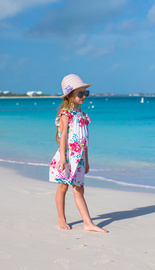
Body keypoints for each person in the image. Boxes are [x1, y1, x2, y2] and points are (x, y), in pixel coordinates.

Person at [49, 74, 107, 233]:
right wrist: (62, 159)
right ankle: (62, 218)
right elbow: (64, 138)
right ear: (70, 95)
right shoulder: (65, 114)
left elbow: (85, 141)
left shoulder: (83, 116)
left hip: (79, 158)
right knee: (63, 187)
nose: (83, 96)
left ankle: (88, 223)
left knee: (79, 190)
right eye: (80, 93)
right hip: (66, 157)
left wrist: (86, 161)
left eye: (85, 93)